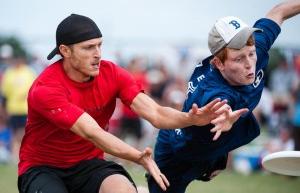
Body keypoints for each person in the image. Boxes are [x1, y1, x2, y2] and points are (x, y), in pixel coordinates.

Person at [17, 14, 247, 193]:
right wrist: (137, 156)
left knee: (123, 189)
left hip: (88, 164)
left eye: (99, 45)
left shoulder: (112, 74)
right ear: (65, 51)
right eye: (89, 47)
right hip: (42, 167)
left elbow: (155, 113)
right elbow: (92, 133)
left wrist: (191, 119)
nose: (98, 53)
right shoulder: (46, 88)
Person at [147, 0, 300, 193]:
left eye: (251, 54)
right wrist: (225, 119)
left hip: (213, 145)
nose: (249, 64)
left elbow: (279, 11)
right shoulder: (214, 92)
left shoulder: (253, 49)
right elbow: (220, 108)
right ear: (218, 64)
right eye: (239, 59)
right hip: (179, 152)